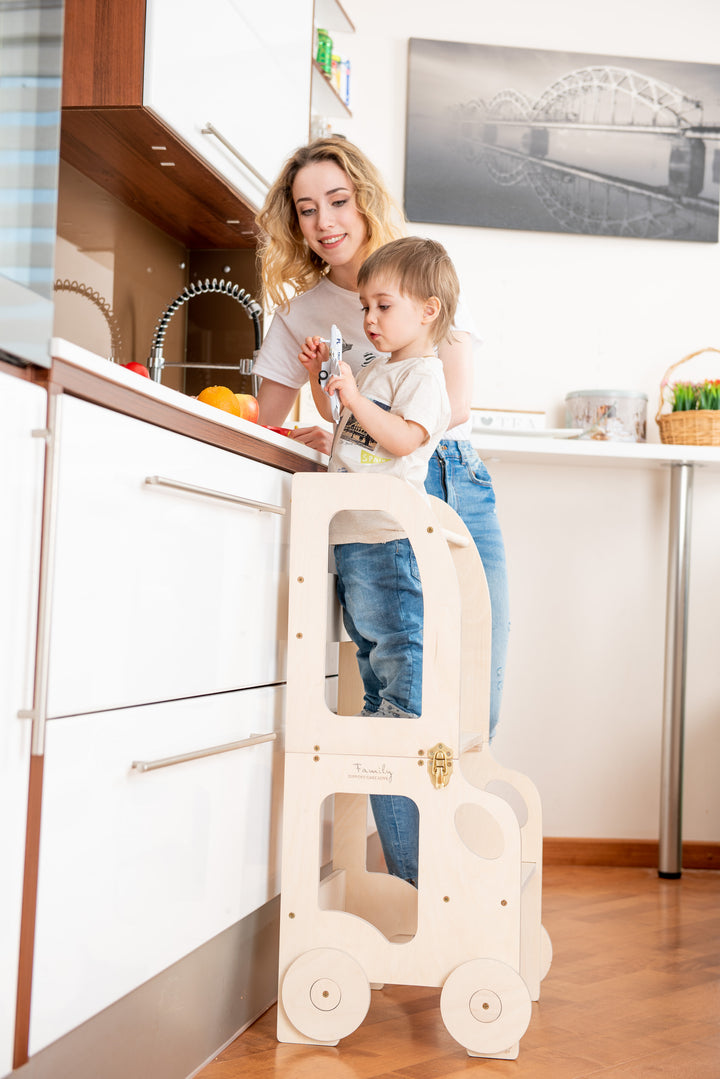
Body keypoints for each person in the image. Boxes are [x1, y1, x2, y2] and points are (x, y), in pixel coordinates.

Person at [253, 137, 510, 880]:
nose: (325, 222)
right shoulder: (305, 312)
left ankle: (447, 877)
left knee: (475, 703)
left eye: (337, 200)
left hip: (453, 478)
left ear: (364, 197)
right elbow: (268, 420)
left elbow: (450, 405)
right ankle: (424, 888)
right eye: (307, 209)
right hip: (379, 501)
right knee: (406, 699)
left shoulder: (418, 272)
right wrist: (327, 429)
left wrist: (353, 414)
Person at [299, 236, 454, 885]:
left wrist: (357, 398)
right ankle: (406, 873)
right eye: (365, 306)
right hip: (356, 544)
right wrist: (326, 381)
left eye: (383, 306)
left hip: (389, 546)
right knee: (379, 687)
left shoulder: (424, 378)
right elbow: (348, 425)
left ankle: (418, 875)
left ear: (428, 310)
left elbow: (400, 438)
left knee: (399, 704)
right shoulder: (379, 370)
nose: (369, 318)